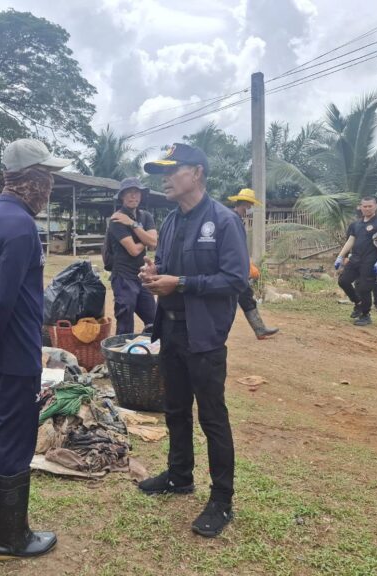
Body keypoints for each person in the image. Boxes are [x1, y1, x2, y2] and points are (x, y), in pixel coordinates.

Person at [0, 139, 69, 560]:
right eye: (47, 177)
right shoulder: (22, 227)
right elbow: (3, 297)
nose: (50, 186)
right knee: (14, 436)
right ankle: (10, 538)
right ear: (30, 179)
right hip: (15, 350)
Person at [138, 143, 248, 538]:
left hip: (204, 335)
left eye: (172, 171)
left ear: (197, 172)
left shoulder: (223, 221)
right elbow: (168, 269)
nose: (165, 179)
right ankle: (179, 475)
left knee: (212, 417)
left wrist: (180, 283)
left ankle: (222, 500)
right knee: (175, 408)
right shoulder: (170, 221)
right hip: (170, 329)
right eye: (162, 173)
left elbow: (235, 279)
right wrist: (154, 275)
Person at [106, 177, 158, 335]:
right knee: (125, 323)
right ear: (122, 196)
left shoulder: (146, 216)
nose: (133, 196)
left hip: (141, 275)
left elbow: (154, 243)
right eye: (128, 192)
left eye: (136, 192)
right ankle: (122, 351)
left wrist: (132, 224)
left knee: (154, 319)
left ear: (141, 196)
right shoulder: (116, 219)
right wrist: (145, 237)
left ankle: (147, 349)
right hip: (123, 277)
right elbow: (134, 250)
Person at [227, 188, 278, 339]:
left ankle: (260, 329)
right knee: (231, 301)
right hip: (232, 269)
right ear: (244, 204)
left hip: (236, 268)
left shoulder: (236, 218)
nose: (250, 209)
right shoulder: (232, 219)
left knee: (246, 296)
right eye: (249, 205)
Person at [334, 196, 377, 326]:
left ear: (375, 206)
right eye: (365, 206)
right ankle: (358, 303)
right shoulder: (356, 224)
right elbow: (350, 241)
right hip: (355, 259)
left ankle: (365, 315)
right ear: (360, 207)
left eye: (370, 206)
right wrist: (340, 256)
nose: (367, 208)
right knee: (343, 281)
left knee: (365, 288)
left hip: (370, 261)